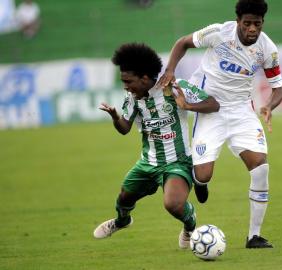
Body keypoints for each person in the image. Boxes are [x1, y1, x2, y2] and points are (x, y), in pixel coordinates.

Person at [158, 0, 282, 249]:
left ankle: (254, 236)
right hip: (209, 108)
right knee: (203, 175)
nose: (251, 29)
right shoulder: (218, 33)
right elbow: (182, 43)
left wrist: (269, 105)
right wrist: (171, 70)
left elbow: (278, 88)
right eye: (247, 23)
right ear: (238, 21)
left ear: (262, 23)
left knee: (260, 166)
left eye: (256, 24)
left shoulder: (267, 49)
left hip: (241, 112)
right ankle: (201, 183)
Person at [93, 43, 220, 249]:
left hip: (177, 162)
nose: (125, 86)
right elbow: (125, 128)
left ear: (144, 78)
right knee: (123, 199)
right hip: (147, 163)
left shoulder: (176, 87)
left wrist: (187, 105)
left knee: (173, 204)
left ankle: (190, 226)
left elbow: (213, 104)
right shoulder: (132, 98)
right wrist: (116, 116)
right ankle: (122, 221)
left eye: (128, 81)